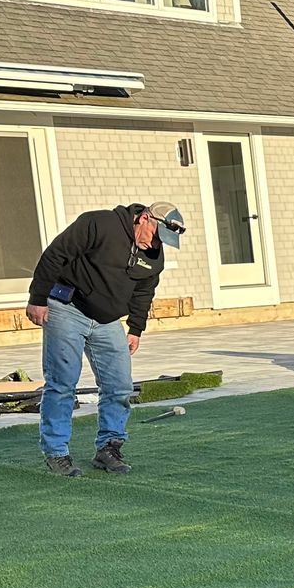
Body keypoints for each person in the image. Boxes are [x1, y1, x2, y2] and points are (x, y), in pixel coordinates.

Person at [25, 201, 185, 477]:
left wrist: (135, 328)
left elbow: (144, 290)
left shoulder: (153, 255)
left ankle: (108, 448)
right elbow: (55, 255)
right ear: (145, 219)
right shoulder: (98, 224)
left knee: (120, 385)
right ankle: (56, 453)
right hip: (67, 308)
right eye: (157, 236)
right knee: (62, 382)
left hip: (107, 320)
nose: (156, 245)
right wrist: (37, 299)